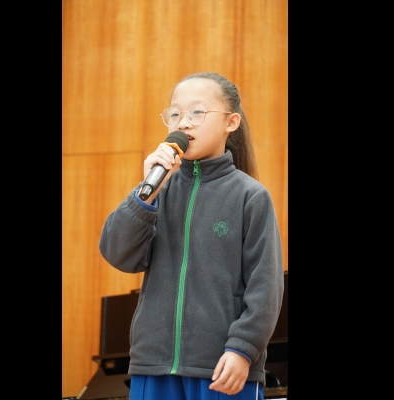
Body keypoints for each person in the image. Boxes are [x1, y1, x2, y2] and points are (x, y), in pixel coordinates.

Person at [99, 72, 284, 400]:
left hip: (222, 368)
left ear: (231, 122)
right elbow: (118, 253)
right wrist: (145, 195)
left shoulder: (250, 196)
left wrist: (243, 349)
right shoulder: (158, 192)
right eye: (175, 114)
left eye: (197, 112)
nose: (183, 122)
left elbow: (265, 285)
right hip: (152, 367)